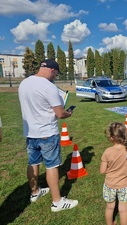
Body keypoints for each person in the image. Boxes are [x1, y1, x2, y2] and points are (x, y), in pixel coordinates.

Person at [18, 59, 78, 212]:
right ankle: (57, 201)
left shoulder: (24, 83)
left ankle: (35, 191)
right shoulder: (48, 87)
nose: (55, 78)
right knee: (52, 166)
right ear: (52, 71)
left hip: (30, 133)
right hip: (47, 133)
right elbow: (59, 113)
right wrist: (68, 113)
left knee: (33, 163)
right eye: (56, 75)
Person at [100, 122, 127, 225]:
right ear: (125, 135)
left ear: (111, 138)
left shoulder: (107, 152)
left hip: (110, 184)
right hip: (125, 185)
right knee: (123, 210)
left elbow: (102, 171)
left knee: (109, 207)